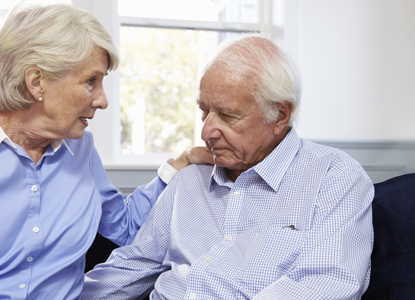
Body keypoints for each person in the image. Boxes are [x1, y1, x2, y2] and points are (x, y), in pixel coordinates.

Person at [0, 2, 212, 300]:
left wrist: (178, 167)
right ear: (37, 83)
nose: (102, 101)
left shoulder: (80, 149)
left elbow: (124, 226)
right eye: (91, 82)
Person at [81, 34, 374, 300]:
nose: (206, 132)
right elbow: (134, 266)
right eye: (204, 111)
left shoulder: (335, 178)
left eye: (228, 115)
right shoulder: (190, 179)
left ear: (280, 114)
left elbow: (326, 285)